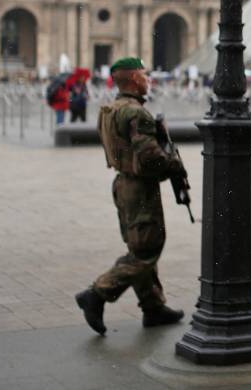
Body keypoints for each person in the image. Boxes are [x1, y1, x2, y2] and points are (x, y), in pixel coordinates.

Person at [75, 57, 187, 336]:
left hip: (122, 184)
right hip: (140, 189)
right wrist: (173, 165)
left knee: (140, 246)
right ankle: (97, 293)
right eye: (145, 75)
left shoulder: (110, 110)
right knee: (146, 250)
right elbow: (150, 158)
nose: (149, 80)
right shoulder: (137, 113)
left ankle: (153, 307)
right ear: (135, 79)